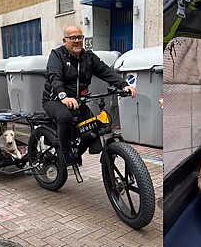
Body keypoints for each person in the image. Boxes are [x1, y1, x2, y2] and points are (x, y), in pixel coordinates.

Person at [42, 25, 136, 166]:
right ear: (64, 40)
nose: (77, 40)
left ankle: (77, 153)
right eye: (72, 37)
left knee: (92, 128)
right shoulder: (57, 55)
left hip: (78, 101)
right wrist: (63, 96)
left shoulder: (88, 57)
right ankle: (65, 153)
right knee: (65, 117)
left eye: (79, 37)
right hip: (54, 99)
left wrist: (123, 85)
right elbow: (55, 77)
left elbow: (106, 72)